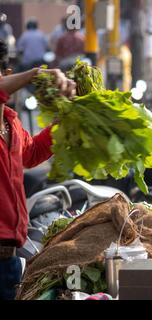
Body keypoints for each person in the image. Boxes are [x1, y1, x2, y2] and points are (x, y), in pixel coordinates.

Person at [0, 39, 76, 300]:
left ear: (7, 75)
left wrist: (65, 119)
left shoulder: (11, 123)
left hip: (8, 260)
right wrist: (36, 74)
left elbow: (32, 154)